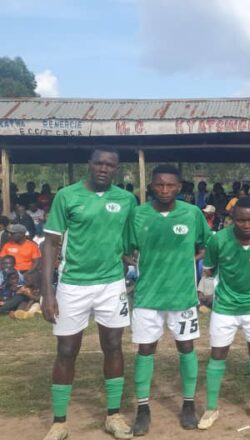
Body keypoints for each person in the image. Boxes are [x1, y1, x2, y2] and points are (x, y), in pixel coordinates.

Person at [41, 148, 137, 440]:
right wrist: (48, 291)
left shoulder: (126, 199)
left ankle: (113, 416)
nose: (104, 169)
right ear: (89, 165)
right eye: (99, 163)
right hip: (73, 284)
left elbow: (130, 240)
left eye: (110, 165)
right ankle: (59, 422)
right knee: (67, 350)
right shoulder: (67, 196)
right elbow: (50, 245)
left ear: (117, 169)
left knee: (113, 346)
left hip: (111, 285)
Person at [125, 165, 212, 434]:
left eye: (170, 185)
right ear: (150, 185)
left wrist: (189, 260)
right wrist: (139, 264)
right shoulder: (138, 215)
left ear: (179, 187)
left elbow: (206, 245)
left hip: (182, 296)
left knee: (186, 348)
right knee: (145, 350)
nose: (164, 190)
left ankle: (188, 405)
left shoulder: (192, 213)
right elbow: (126, 249)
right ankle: (142, 409)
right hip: (147, 297)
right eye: (159, 185)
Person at [197, 197, 250, 430]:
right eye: (240, 220)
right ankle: (211, 408)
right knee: (218, 354)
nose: (246, 224)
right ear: (232, 219)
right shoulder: (219, 240)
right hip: (225, 307)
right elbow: (210, 271)